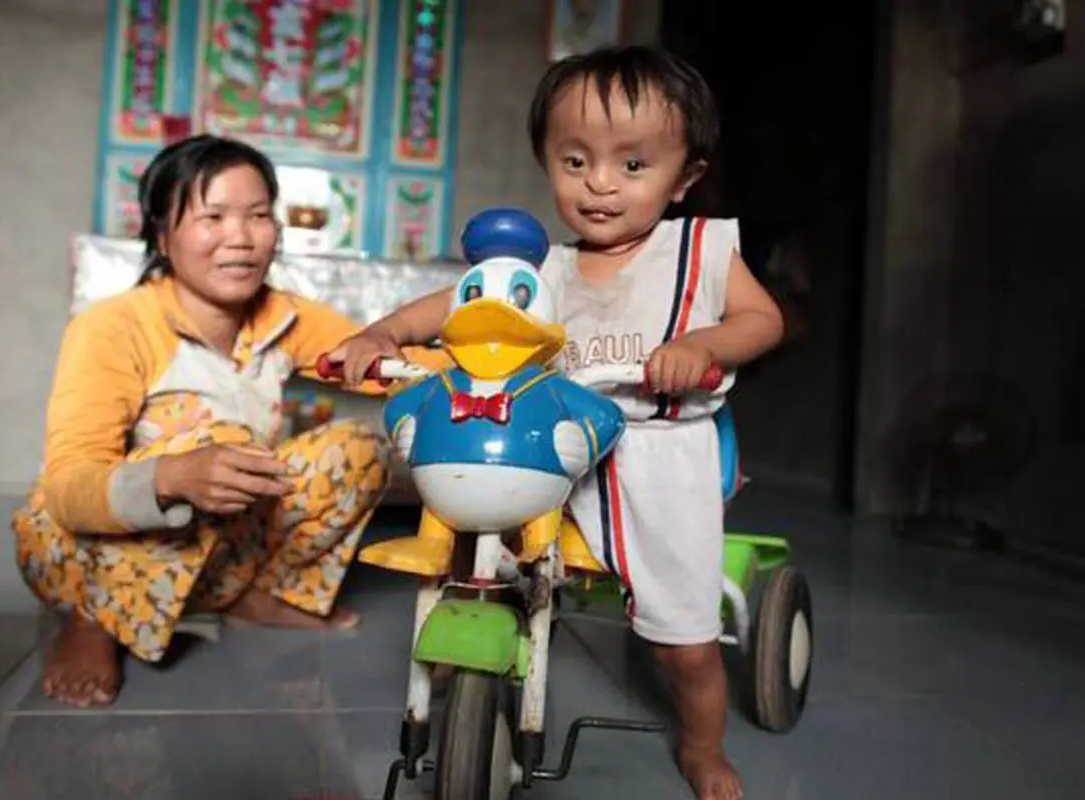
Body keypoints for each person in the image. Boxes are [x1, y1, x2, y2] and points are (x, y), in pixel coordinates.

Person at [330, 46, 783, 800]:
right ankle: (471, 658)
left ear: (685, 177)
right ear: (547, 161)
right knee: (477, 544)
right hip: (556, 450)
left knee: (682, 637)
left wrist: (703, 346)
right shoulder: (542, 273)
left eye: (632, 164)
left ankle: (703, 743)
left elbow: (762, 321)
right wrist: (384, 333)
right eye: (576, 160)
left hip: (660, 454)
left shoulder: (700, 250)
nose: (599, 182)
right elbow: (454, 307)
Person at [11, 134, 445, 709]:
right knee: (222, 438)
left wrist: (500, 363)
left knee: (360, 449)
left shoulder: (282, 314)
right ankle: (96, 622)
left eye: (258, 215)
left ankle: (256, 598)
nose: (240, 237)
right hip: (80, 555)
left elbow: (383, 366)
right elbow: (68, 490)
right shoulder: (112, 327)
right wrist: (170, 476)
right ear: (162, 235)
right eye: (212, 217)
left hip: (217, 554)